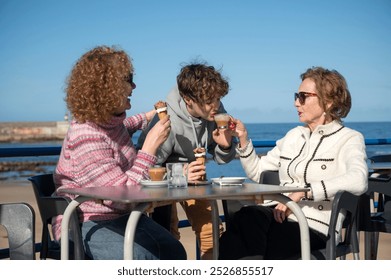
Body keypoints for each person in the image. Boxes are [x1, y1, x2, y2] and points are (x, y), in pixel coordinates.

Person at [218, 66, 368, 259]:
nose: (297, 103)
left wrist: (304, 192)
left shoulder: (349, 138)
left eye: (303, 96)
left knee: (250, 239)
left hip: (314, 225)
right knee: (244, 220)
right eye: (296, 96)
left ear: (328, 101)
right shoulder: (293, 136)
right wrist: (243, 139)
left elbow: (359, 180)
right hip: (277, 214)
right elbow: (258, 172)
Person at [52, 45, 187, 260]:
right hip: (87, 221)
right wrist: (149, 149)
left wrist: (149, 116)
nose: (134, 85)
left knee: (174, 252)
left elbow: (124, 126)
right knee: (146, 260)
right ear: (107, 87)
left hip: (124, 218)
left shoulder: (108, 123)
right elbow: (122, 196)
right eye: (128, 79)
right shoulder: (87, 135)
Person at [138, 62, 237, 259]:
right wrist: (180, 173)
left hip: (195, 177)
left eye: (218, 98)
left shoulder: (214, 111)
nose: (216, 105)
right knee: (168, 235)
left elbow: (220, 157)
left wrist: (225, 146)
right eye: (209, 101)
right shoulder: (167, 120)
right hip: (163, 180)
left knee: (212, 232)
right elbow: (148, 168)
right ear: (188, 99)